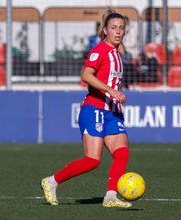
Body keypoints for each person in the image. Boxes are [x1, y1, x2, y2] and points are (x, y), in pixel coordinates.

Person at [40, 7, 132, 208]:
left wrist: (114, 96)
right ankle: (51, 181)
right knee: (92, 160)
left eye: (121, 28)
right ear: (105, 30)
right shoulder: (100, 49)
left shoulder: (117, 53)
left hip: (113, 112)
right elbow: (86, 75)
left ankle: (110, 197)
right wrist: (111, 91)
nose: (118, 31)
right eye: (113, 27)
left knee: (122, 152)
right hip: (94, 109)